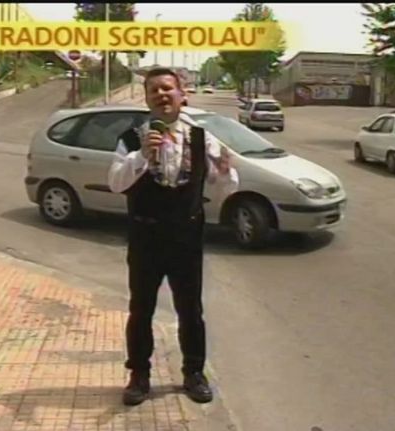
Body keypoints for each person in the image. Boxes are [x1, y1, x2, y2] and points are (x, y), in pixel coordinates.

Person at [108, 67, 239, 406]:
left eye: (168, 88)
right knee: (141, 309)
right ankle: (139, 375)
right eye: (154, 90)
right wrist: (141, 156)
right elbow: (116, 183)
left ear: (182, 95)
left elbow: (224, 183)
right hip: (146, 236)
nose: (161, 95)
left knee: (190, 310)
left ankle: (194, 373)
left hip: (186, 236)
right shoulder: (131, 139)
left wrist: (226, 172)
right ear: (147, 99)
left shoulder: (202, 137)